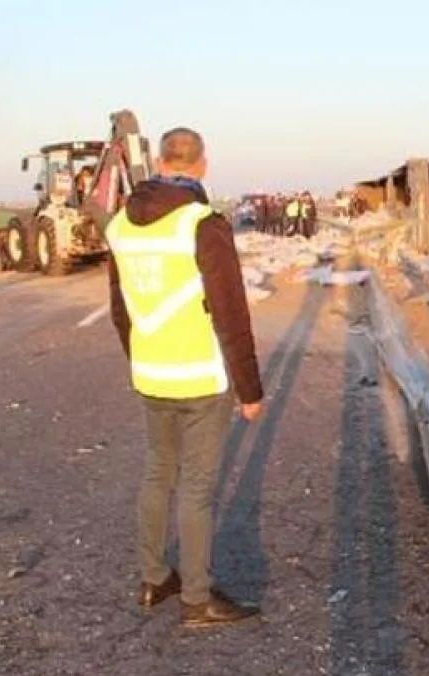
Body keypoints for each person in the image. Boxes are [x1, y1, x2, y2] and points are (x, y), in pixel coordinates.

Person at [106, 126, 265, 628]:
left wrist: (140, 357)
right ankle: (197, 599)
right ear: (202, 164)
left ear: (159, 162)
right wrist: (250, 390)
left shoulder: (121, 225)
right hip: (199, 377)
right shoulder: (202, 224)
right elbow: (231, 312)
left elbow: (119, 308)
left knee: (158, 474)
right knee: (196, 488)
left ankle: (154, 579)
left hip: (151, 373)